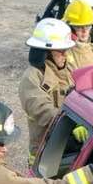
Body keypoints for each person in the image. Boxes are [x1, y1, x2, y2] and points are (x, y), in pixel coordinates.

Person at [19, 17, 76, 163]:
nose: (66, 55)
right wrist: (72, 123)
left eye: (66, 51)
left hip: (69, 143)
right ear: (46, 52)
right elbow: (42, 109)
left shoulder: (70, 69)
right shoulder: (32, 77)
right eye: (61, 52)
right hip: (46, 149)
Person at [63, 0, 93, 71]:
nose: (84, 31)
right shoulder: (64, 54)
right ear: (70, 28)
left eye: (87, 26)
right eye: (79, 27)